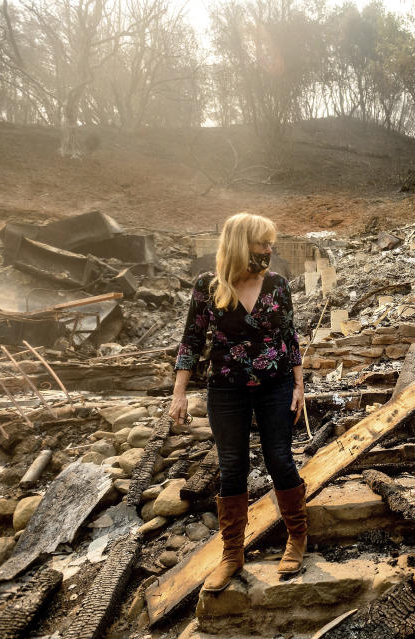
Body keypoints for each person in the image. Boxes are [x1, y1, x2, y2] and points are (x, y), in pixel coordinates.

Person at [169, 212, 307, 592]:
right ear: (239, 245)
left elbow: (291, 336)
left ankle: (297, 536)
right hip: (226, 389)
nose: (269, 249)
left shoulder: (277, 284)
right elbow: (191, 342)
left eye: (270, 243)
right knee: (232, 466)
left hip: (276, 385)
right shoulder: (207, 286)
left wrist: (299, 385)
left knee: (279, 457)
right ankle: (232, 554)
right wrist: (178, 392)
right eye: (261, 243)